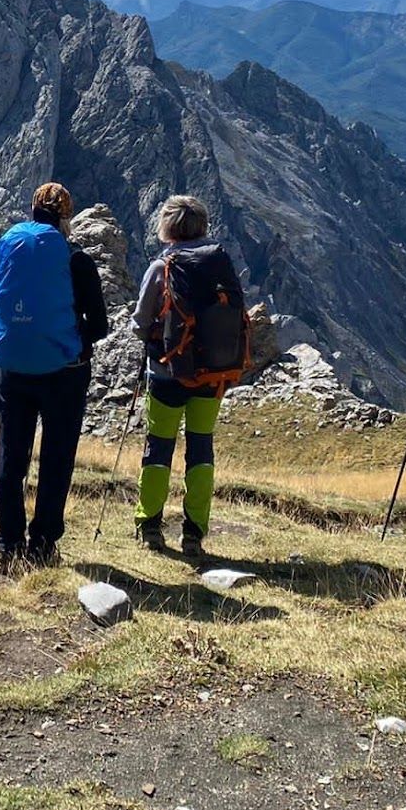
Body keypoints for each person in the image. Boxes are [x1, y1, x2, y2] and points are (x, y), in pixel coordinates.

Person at [0, 182, 108, 572]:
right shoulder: (77, 261)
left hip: (12, 369)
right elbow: (101, 325)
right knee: (56, 458)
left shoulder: (12, 250)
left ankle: (9, 545)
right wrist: (71, 341)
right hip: (65, 374)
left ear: (32, 210)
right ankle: (42, 544)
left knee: (11, 454)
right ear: (65, 217)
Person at [129, 194, 238, 558]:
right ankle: (194, 533)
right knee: (201, 448)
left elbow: (140, 324)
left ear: (167, 227)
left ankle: (150, 526)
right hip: (212, 376)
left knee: (159, 447)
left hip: (166, 371)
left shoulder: (162, 267)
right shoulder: (220, 261)